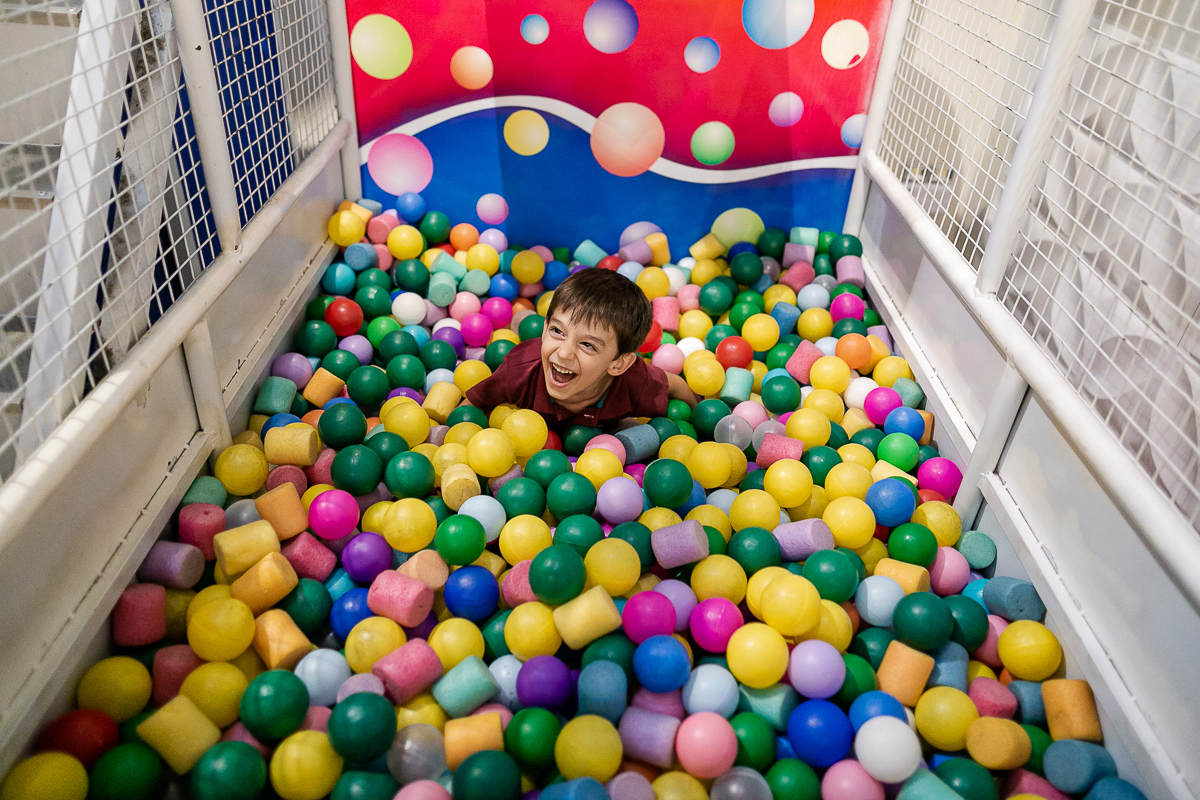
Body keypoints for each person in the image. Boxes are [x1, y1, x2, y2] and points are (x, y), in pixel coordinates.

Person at [466, 267, 696, 430]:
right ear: (544, 328)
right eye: (557, 331)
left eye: (587, 345)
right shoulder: (519, 372)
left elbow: (676, 386)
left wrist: (700, 418)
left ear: (619, 363)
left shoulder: (634, 381)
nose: (564, 352)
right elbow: (470, 409)